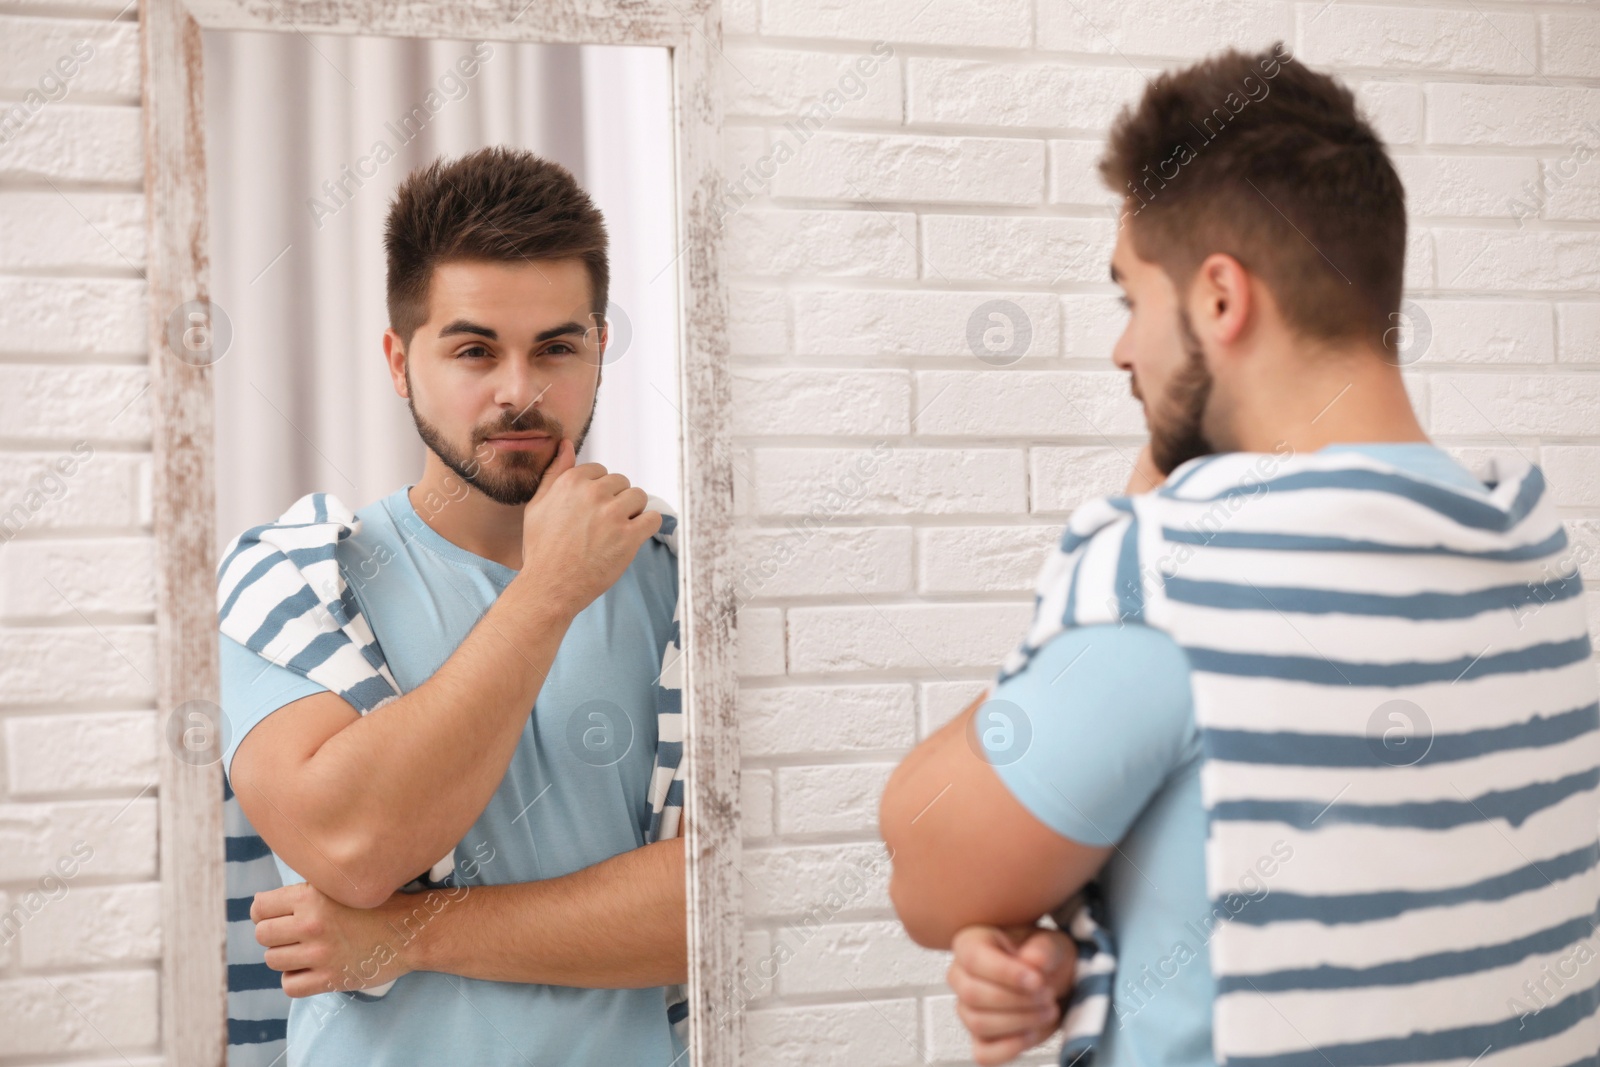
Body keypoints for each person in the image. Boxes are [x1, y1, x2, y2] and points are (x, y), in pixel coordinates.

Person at [878, 41, 1600, 1067]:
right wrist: (1096, 946)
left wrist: (1136, 518)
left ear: (1220, 297)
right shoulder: (1535, 556)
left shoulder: (1167, 577)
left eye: (1131, 297)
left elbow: (922, 865)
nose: (1120, 349)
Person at [217, 146, 688, 1066]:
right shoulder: (293, 577)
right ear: (399, 361)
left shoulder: (683, 576)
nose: (520, 389)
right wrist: (548, 591)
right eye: (474, 349)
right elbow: (353, 845)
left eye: (558, 346)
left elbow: (717, 902)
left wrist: (408, 932)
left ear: (599, 348)